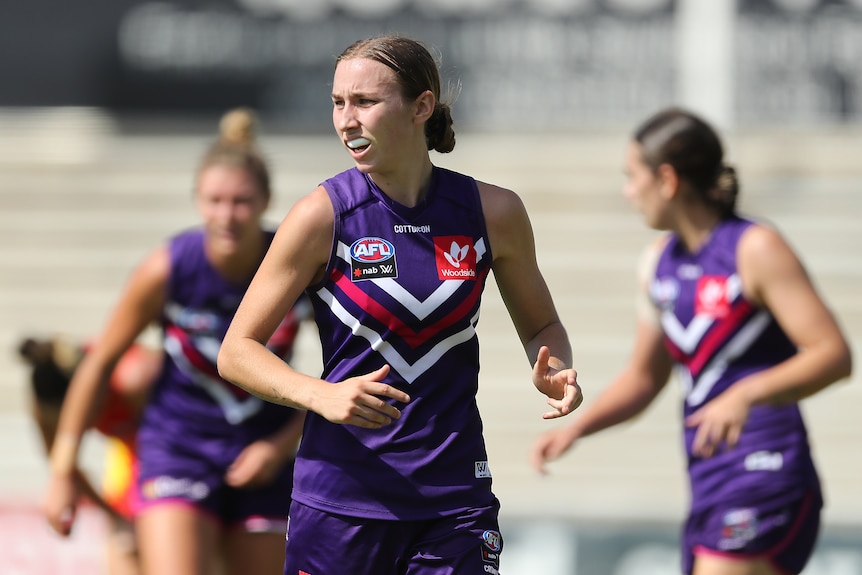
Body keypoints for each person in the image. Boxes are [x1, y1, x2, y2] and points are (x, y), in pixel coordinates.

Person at [216, 35, 582, 575]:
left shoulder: (493, 212)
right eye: (338, 103)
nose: (345, 120)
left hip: (455, 498)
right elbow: (236, 351)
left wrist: (553, 364)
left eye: (364, 102)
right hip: (342, 499)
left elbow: (542, 324)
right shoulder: (322, 215)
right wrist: (321, 395)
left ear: (422, 107)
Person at [531, 107, 853, 575]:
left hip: (766, 464)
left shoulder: (754, 247)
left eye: (631, 176)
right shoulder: (658, 263)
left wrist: (746, 393)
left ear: (666, 179)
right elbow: (644, 378)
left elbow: (833, 355)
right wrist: (576, 429)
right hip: (710, 476)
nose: (627, 192)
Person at [43, 108, 310, 575]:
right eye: (214, 200)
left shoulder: (293, 263)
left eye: (241, 201)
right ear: (197, 201)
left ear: (267, 199)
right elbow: (100, 361)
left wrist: (282, 444)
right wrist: (63, 470)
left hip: (265, 450)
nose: (227, 215)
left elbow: (342, 370)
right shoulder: (167, 269)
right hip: (179, 446)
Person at [19, 335, 161, 575]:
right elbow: (64, 470)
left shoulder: (133, 379)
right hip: (128, 451)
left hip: (168, 447)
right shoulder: (44, 405)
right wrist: (115, 516)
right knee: (123, 542)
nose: (79, 427)